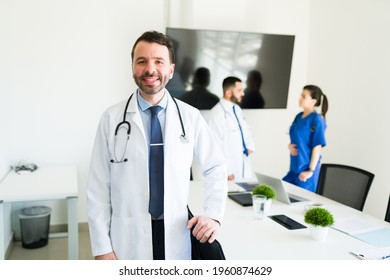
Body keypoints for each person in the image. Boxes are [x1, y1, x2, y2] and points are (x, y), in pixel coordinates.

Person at [87, 30, 227, 260]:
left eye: (159, 62)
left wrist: (213, 215)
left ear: (171, 70)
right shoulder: (111, 119)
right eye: (141, 61)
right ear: (132, 67)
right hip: (127, 235)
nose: (150, 69)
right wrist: (102, 248)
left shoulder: (190, 117)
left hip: (176, 231)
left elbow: (216, 167)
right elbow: (98, 188)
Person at [208, 76, 256, 181]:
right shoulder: (217, 113)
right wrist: (226, 172)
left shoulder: (237, 109)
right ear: (228, 93)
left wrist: (249, 146)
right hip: (229, 172)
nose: (243, 93)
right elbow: (215, 146)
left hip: (243, 163)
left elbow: (245, 130)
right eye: (239, 90)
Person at [283, 85, 328, 193]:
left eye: (304, 96)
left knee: (301, 203)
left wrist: (310, 171)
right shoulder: (299, 117)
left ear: (313, 101)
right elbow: (298, 139)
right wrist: (290, 146)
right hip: (294, 169)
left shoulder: (317, 120)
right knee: (281, 193)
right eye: (301, 95)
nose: (300, 98)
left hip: (306, 172)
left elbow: (317, 147)